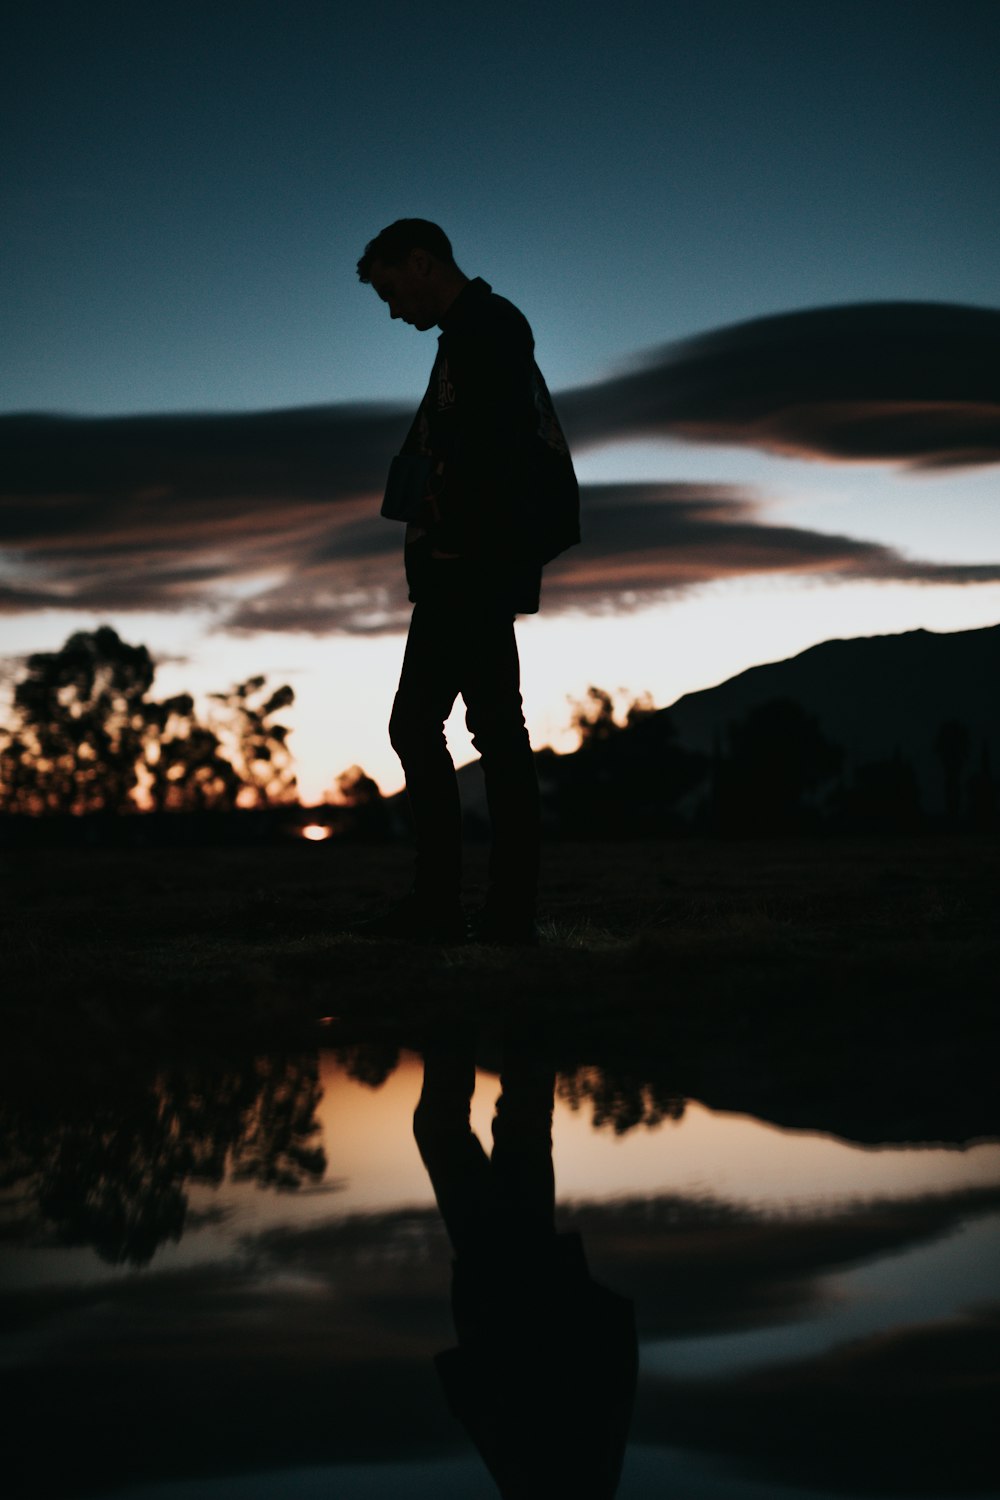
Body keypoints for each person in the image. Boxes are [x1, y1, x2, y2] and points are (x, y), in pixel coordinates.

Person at [356, 219, 579, 946]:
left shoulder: (486, 329)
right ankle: (498, 912)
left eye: (393, 290)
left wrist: (454, 539)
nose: (393, 310)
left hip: (471, 563)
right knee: (495, 729)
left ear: (422, 264)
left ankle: (445, 906)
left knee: (420, 725)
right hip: (476, 560)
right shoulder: (472, 332)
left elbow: (494, 451)